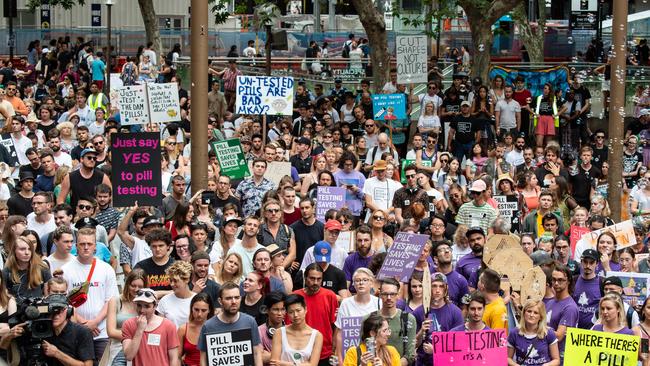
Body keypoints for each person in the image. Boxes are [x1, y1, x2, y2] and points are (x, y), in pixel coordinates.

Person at [62, 226, 119, 362]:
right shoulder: (66, 270)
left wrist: (95, 322)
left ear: (96, 247)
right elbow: (64, 301)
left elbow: (111, 300)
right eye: (82, 244)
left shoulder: (106, 269)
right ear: (76, 246)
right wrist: (84, 323)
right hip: (76, 331)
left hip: (101, 332)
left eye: (89, 244)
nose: (86, 247)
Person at [2, 293, 95, 366]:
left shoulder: (82, 332)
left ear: (68, 311)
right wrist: (10, 334)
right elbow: (3, 346)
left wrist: (57, 353)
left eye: (58, 311)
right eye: (50, 312)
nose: (55, 315)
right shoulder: (37, 328)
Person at [197, 282, 263, 366]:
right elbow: (203, 358)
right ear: (220, 301)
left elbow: (256, 352)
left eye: (237, 297)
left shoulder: (250, 322)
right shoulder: (208, 326)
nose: (234, 302)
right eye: (228, 298)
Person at [413, 273, 463, 366]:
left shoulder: (456, 312)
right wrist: (421, 331)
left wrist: (436, 351)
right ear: (428, 288)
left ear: (446, 289)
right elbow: (412, 345)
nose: (437, 290)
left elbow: (458, 345)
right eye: (434, 286)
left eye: (441, 286)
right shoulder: (418, 312)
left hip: (446, 363)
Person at [293, 264, 338, 365]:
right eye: (312, 278)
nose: (315, 282)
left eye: (319, 279)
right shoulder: (295, 296)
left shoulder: (329, 295)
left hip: (325, 352)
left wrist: (334, 349)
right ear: (305, 277)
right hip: (300, 352)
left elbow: (335, 325)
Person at [122, 288, 181, 366]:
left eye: (147, 306)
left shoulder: (168, 326)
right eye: (139, 305)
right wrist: (139, 330)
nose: (142, 310)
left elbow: (174, 358)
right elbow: (129, 356)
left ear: (155, 306)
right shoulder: (128, 324)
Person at [333, 267, 380, 361]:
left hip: (373, 354)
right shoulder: (346, 303)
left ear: (371, 283)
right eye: (357, 280)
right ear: (353, 284)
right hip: (351, 355)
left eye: (365, 280)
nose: (361, 283)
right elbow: (340, 333)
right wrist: (340, 359)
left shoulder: (379, 303)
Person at [270, 293, 324, 366]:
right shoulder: (279, 333)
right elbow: (274, 363)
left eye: (298, 310)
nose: (295, 315)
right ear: (287, 314)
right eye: (291, 312)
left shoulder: (317, 336)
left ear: (305, 309)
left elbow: (313, 364)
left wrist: (287, 364)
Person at [107, 269, 146, 366]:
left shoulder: (146, 303)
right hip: (119, 347)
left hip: (141, 348)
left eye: (140, 287)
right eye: (133, 285)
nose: (136, 289)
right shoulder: (116, 301)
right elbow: (111, 331)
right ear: (127, 284)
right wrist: (136, 335)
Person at [507, 299, 560, 366]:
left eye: (536, 313)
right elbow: (508, 358)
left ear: (541, 317)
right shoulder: (514, 333)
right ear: (524, 313)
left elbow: (556, 360)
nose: (531, 315)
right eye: (529, 311)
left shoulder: (549, 333)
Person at [545, 264, 578, 362]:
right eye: (553, 279)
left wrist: (537, 329)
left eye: (560, 280)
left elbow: (559, 336)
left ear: (568, 281)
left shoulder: (570, 307)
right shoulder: (550, 302)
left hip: (561, 358)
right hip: (548, 355)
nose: (556, 283)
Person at [177, 293, 214, 366]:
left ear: (209, 310)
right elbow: (177, 357)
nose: (199, 314)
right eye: (196, 310)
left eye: (203, 310)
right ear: (191, 308)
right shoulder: (183, 329)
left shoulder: (216, 328)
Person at [157, 261, 196, 328]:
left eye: (175, 281)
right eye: (171, 280)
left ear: (186, 280)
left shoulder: (197, 300)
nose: (172, 284)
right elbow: (159, 328)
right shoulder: (164, 300)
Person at [573, 249, 601, 329]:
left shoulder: (601, 282)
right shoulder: (574, 280)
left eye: (591, 263)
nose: (588, 266)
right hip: (574, 328)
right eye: (585, 262)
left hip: (593, 330)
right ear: (581, 262)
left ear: (597, 264)